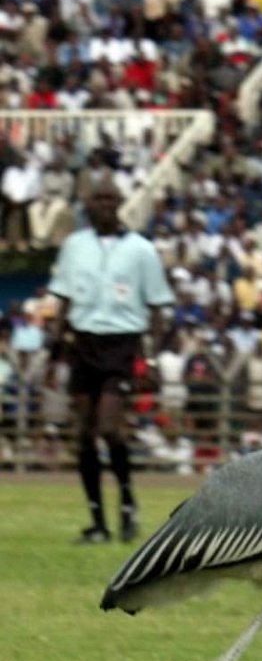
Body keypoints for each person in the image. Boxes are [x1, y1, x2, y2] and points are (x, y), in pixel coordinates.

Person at [48, 178, 174, 545]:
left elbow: (156, 307)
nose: (102, 204)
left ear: (119, 203)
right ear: (88, 204)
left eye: (109, 198)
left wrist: (149, 359)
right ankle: (98, 522)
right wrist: (57, 338)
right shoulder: (73, 246)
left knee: (108, 427)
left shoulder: (141, 250)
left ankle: (128, 500)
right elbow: (64, 298)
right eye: (96, 198)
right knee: (84, 435)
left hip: (121, 344)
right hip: (83, 343)